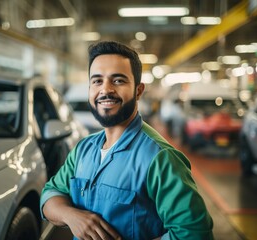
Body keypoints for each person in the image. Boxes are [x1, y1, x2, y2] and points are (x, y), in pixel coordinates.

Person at [40, 41, 214, 240]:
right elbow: (49, 195)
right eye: (97, 81)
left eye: (118, 80)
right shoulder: (83, 150)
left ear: (138, 90)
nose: (105, 90)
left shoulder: (160, 158)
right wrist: (71, 216)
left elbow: (195, 234)